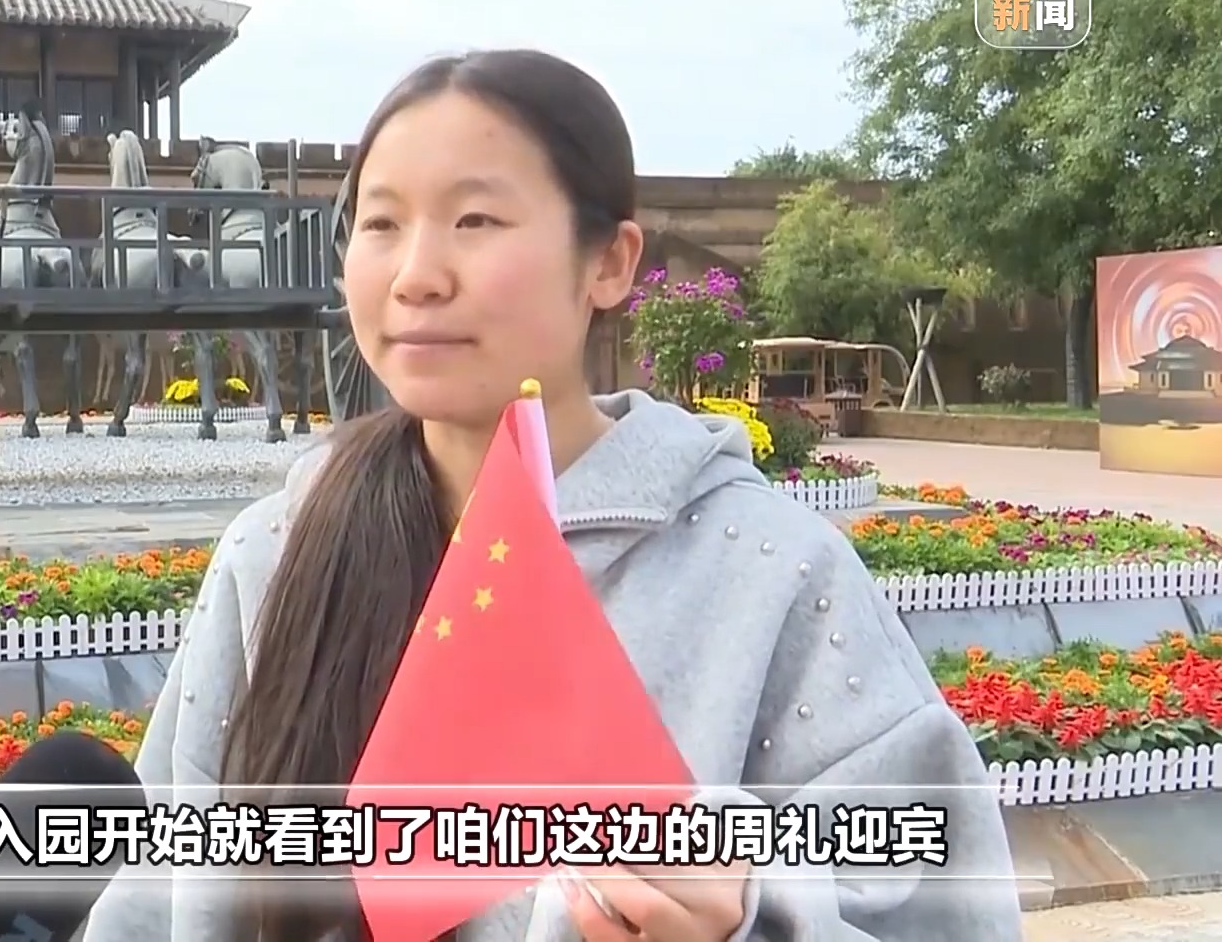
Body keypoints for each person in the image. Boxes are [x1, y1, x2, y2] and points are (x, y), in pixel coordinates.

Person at [78, 49, 1024, 941]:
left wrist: (752, 911)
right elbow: (158, 897)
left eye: (476, 221)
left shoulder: (772, 571)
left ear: (609, 263)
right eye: (380, 224)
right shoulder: (276, 552)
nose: (416, 276)